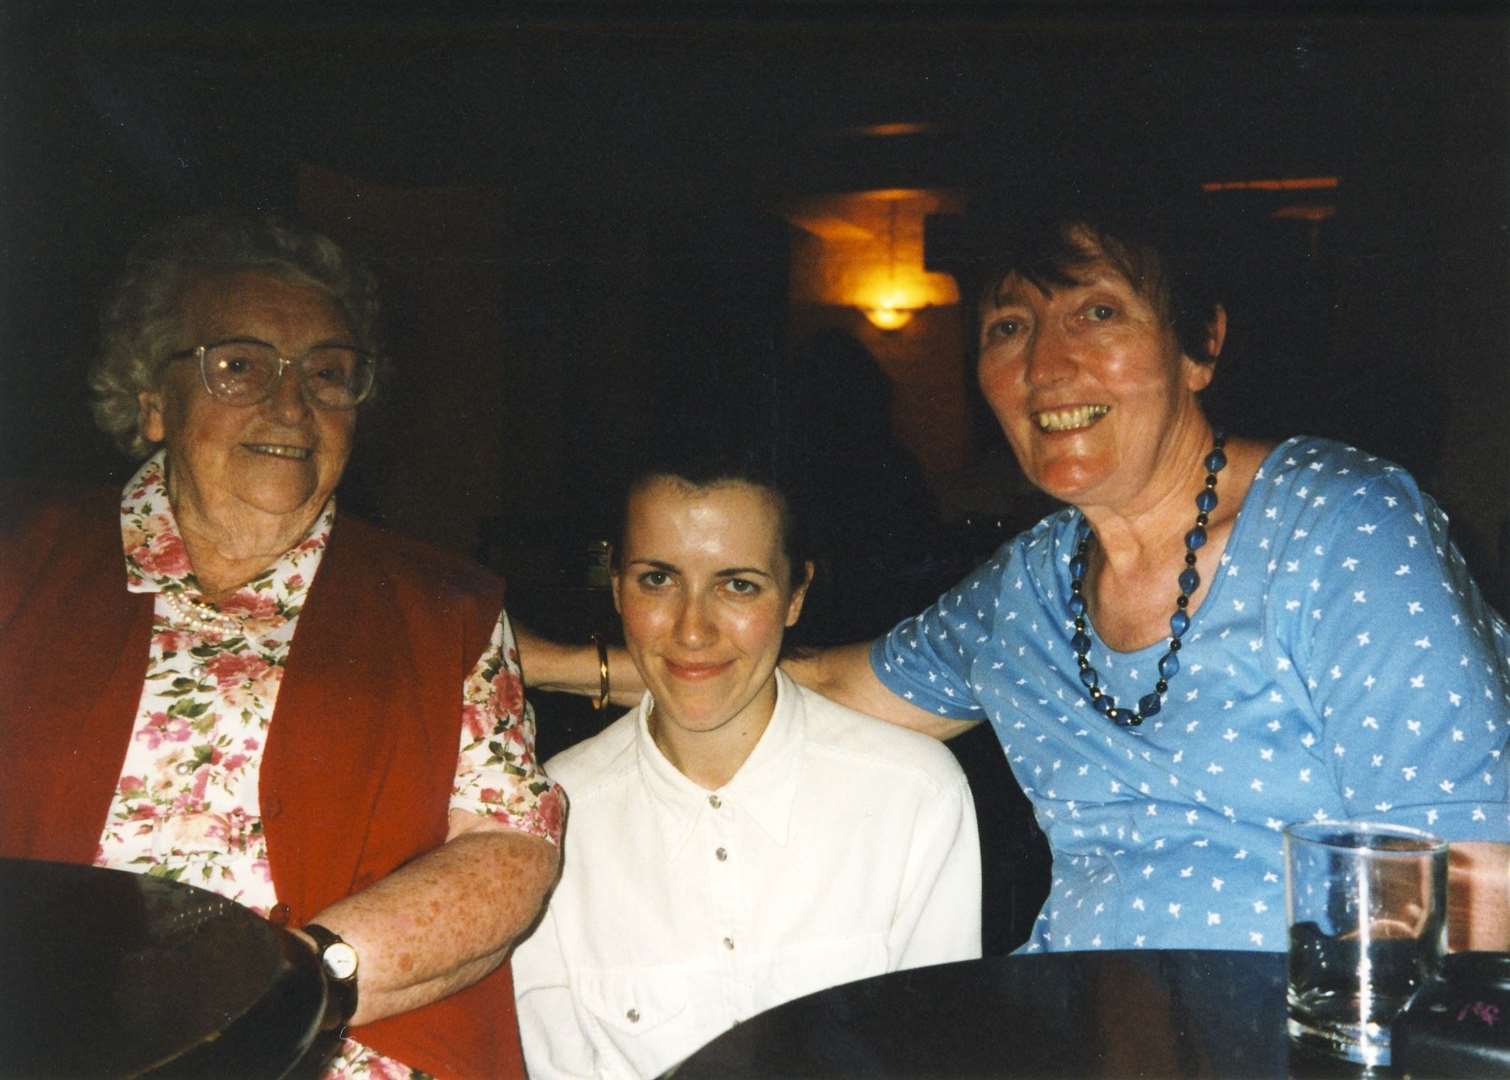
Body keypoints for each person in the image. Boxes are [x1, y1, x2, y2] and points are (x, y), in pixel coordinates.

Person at [520, 182, 1508, 956]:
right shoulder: (1030, 587)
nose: (1045, 366)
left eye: (1098, 314)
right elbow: (824, 680)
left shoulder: (1340, 528)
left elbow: (1474, 880)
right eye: (1007, 327)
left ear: (1199, 345)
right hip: (1080, 1025)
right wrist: (542, 662)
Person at [0, 211, 565, 1078]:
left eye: (329, 373)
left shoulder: (440, 605)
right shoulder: (22, 557)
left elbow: (511, 842)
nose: (291, 403)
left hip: (345, 1042)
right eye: (239, 365)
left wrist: (300, 982)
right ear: (153, 400)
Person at [511, 450, 981, 1079]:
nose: (693, 629)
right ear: (617, 587)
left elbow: (938, 1057)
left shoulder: (915, 794)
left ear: (795, 596)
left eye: (738, 585)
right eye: (658, 579)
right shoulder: (545, 818)